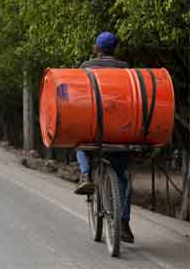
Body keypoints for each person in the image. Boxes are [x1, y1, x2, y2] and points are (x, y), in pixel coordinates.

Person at [74, 32, 134, 243]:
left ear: (96, 48)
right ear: (114, 49)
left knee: (80, 144)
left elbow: (79, 96)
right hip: (119, 130)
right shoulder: (125, 68)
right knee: (122, 177)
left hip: (93, 128)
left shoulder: (86, 67)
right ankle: (124, 223)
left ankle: (85, 176)